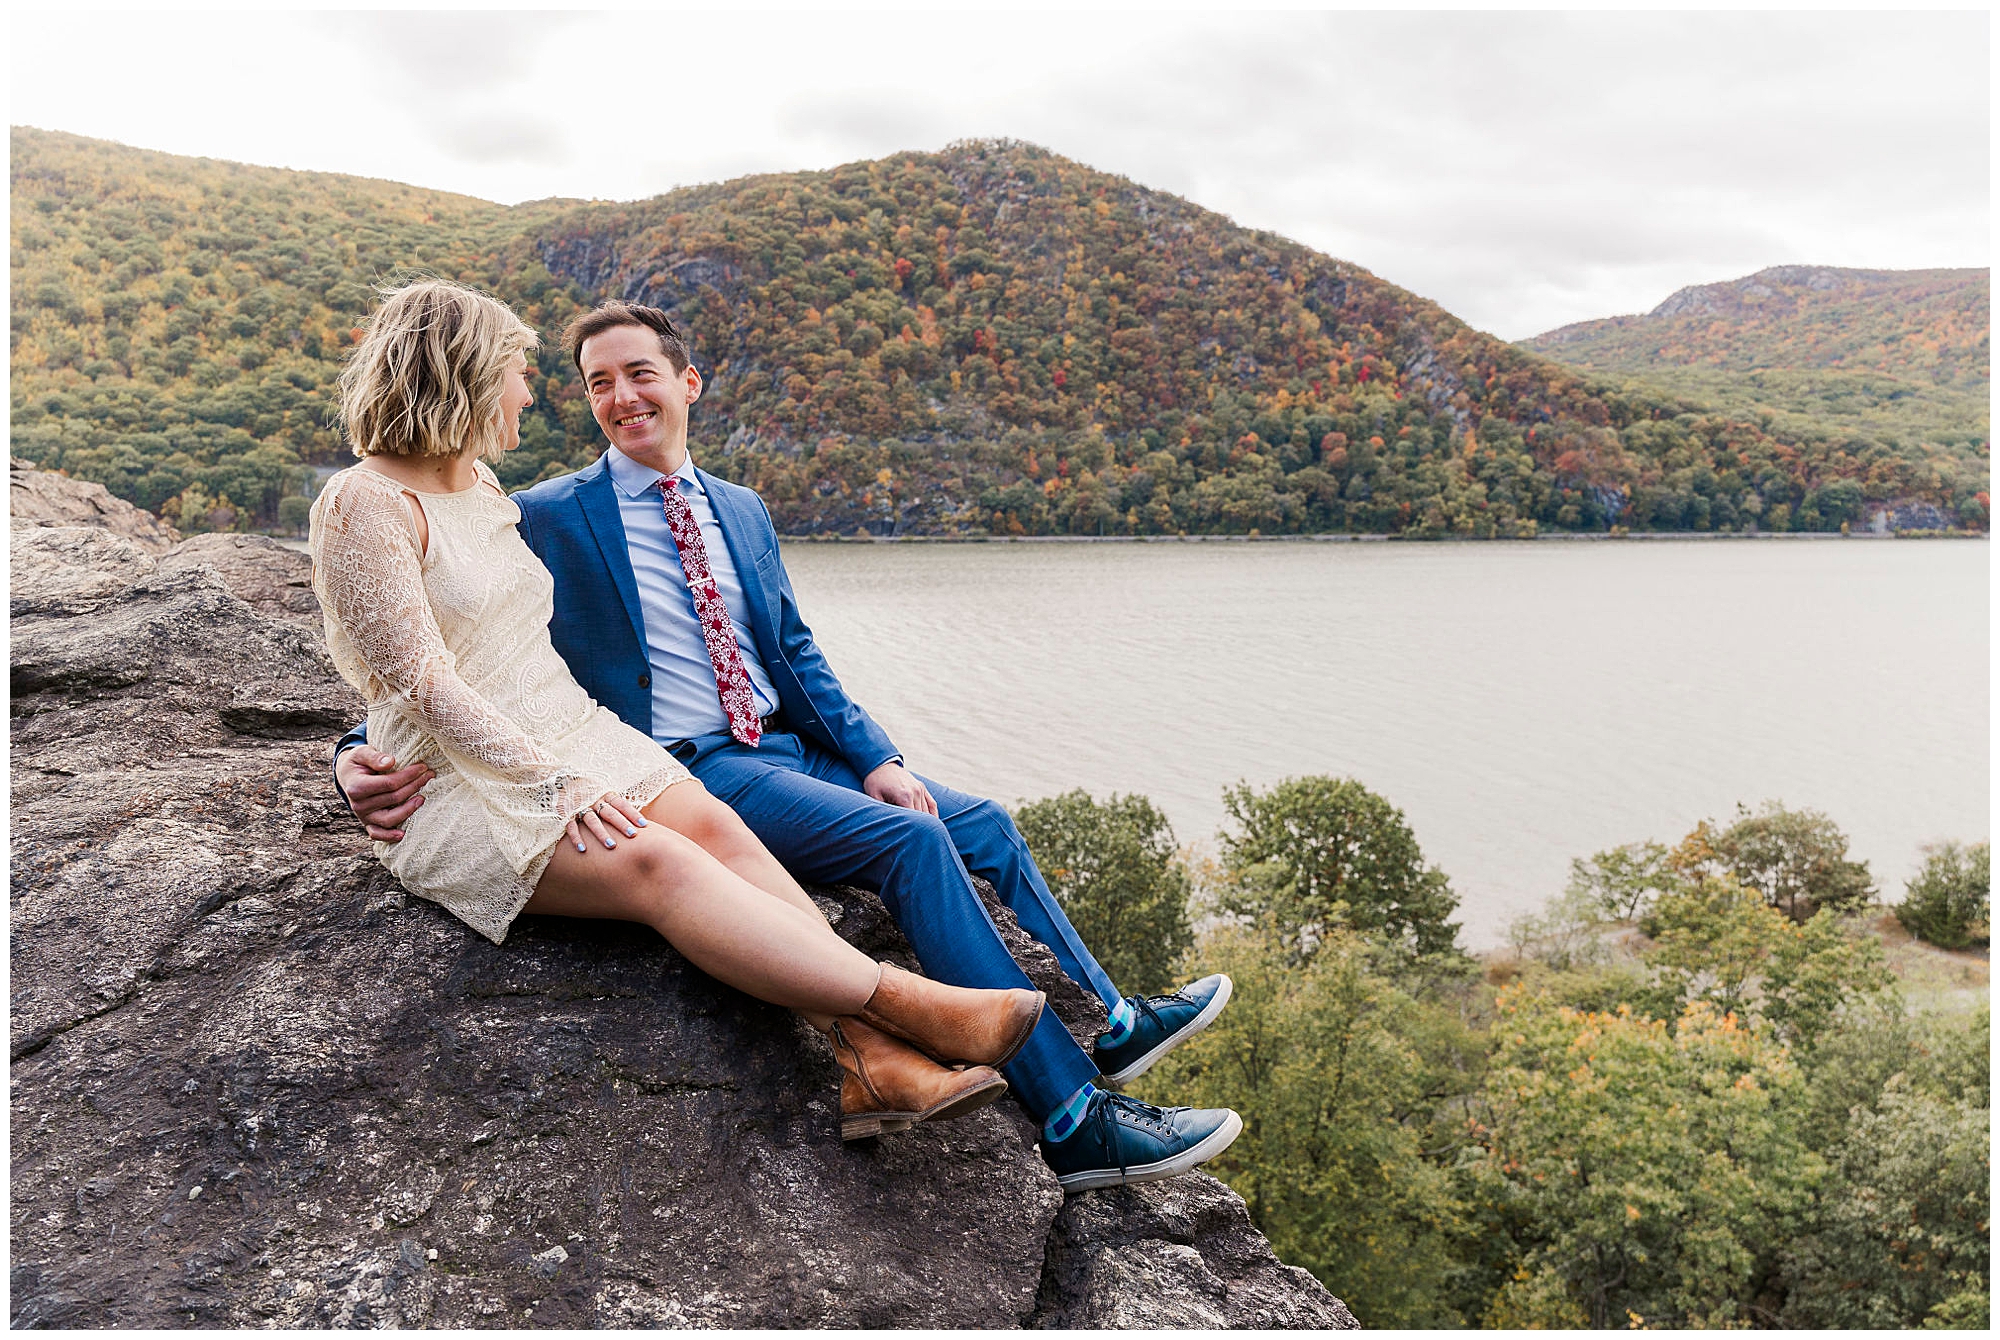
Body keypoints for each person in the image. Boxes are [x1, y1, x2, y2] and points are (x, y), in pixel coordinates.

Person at [335, 297, 1241, 1191]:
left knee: (985, 825)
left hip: (763, 745)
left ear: (689, 383)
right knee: (912, 844)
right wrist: (353, 752)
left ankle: (1113, 1019)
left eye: (639, 375)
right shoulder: (543, 511)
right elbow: (422, 655)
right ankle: (1066, 1110)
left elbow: (794, 653)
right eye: (592, 383)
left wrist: (878, 757)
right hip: (679, 758)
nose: (611, 397)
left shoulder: (737, 507)